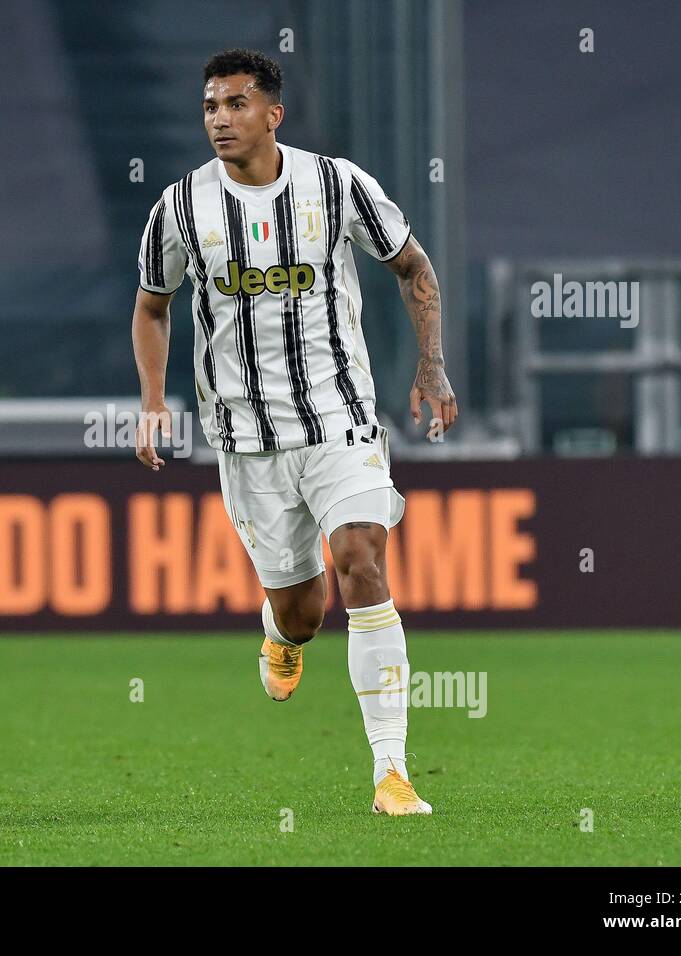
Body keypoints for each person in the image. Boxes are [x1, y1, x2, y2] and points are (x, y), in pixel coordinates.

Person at [131, 49, 458, 816]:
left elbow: (413, 268)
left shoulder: (337, 184)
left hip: (340, 420)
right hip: (246, 441)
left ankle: (392, 772)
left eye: (236, 104)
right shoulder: (179, 209)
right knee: (305, 614)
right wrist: (151, 403)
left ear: (273, 114)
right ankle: (280, 630)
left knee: (361, 558)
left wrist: (432, 367)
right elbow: (152, 305)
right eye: (210, 105)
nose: (219, 119)